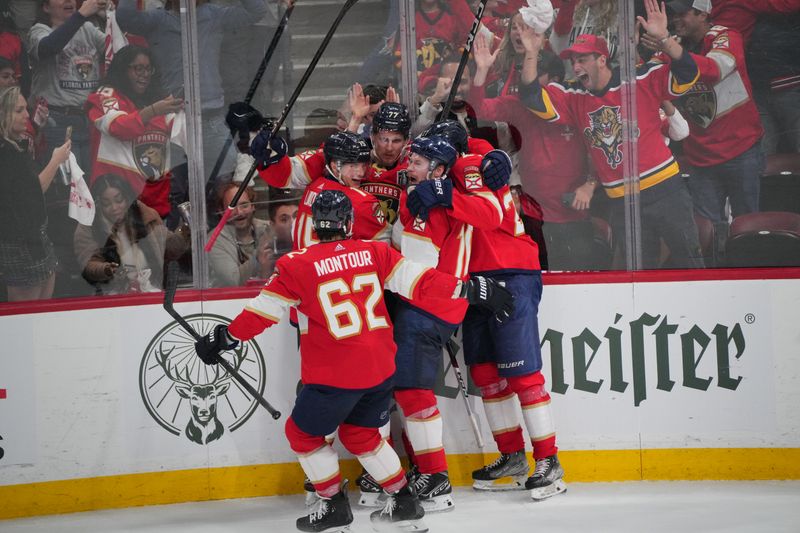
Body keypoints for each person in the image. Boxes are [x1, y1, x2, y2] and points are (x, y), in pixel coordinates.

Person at [193, 189, 514, 533]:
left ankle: (331, 504)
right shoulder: (375, 252)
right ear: (348, 223)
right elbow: (422, 283)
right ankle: (403, 501)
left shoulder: (295, 264)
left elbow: (261, 314)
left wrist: (223, 339)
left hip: (334, 374)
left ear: (315, 224)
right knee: (361, 435)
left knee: (301, 434)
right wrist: (471, 289)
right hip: (379, 369)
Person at [519, 0, 705, 269]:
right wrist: (531, 53)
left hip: (665, 191)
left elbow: (688, 73)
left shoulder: (639, 78)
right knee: (638, 278)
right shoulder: (574, 96)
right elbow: (531, 97)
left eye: (582, 59)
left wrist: (664, 38)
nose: (576, 66)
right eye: (573, 61)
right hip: (623, 203)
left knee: (691, 263)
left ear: (602, 59)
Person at [385, 135, 508, 512]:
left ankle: (434, 477)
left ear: (438, 170)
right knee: (412, 389)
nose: (409, 167)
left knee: (411, 392)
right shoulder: (450, 198)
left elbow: (416, 275)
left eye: (418, 163)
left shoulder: (428, 205)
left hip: (424, 307)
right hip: (442, 308)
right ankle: (430, 473)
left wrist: (378, 270)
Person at [471, 30, 597, 271]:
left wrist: (590, 184)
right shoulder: (517, 105)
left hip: (575, 215)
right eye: (523, 73)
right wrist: (482, 71)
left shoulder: (576, 104)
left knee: (583, 287)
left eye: (535, 74)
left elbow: (599, 152)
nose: (525, 79)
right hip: (535, 217)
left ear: (556, 79)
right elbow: (477, 110)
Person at [116, 0, 269, 185]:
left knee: (224, 179)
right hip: (170, 118)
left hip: (210, 116)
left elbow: (257, 10)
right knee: (174, 185)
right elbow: (125, 18)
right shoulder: (158, 19)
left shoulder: (214, 15)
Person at [664, 0, 764, 226]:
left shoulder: (727, 36)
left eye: (683, 14)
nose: (675, 19)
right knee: (707, 232)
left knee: (747, 227)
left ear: (702, 14)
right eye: (673, 14)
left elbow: (715, 68)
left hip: (741, 150)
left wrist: (670, 49)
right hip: (700, 157)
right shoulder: (673, 46)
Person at [86, 44, 184, 219]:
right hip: (117, 204)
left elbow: (179, 134)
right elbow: (118, 127)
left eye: (148, 69)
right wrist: (154, 110)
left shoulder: (157, 99)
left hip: (156, 204)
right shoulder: (106, 94)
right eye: (138, 68)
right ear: (123, 69)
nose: (144, 74)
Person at [252, 129, 392, 249]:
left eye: (363, 165)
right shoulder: (360, 201)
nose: (360, 172)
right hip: (333, 277)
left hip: (302, 271)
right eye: (353, 165)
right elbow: (386, 248)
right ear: (334, 166)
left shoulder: (314, 183)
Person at [0, 84, 69, 301]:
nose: (26, 115)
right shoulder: (5, 153)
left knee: (45, 296)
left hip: (35, 236)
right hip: (18, 241)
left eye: (25, 109)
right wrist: (56, 160)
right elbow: (33, 192)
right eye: (18, 110)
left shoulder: (17, 146)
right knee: (26, 313)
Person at [74, 173, 186, 294]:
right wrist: (106, 269)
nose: (114, 207)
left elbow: (172, 247)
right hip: (110, 298)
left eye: (119, 200)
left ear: (127, 197)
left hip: (152, 291)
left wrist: (185, 232)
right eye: (106, 204)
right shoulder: (89, 227)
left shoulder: (144, 214)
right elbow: (89, 266)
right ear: (98, 205)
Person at [28, 0, 107, 171]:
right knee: (65, 188)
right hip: (56, 121)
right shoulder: (39, 30)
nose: (69, 0)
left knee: (92, 185)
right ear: (46, 7)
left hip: (90, 119)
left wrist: (110, 18)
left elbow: (119, 52)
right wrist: (80, 15)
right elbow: (48, 47)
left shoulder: (88, 28)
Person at [208, 181, 274, 287]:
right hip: (227, 301)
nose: (239, 212)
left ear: (253, 206)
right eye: (232, 207)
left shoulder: (268, 230)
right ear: (221, 212)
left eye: (244, 205)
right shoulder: (214, 240)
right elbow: (234, 282)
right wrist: (259, 255)